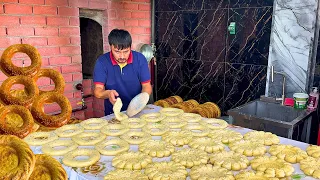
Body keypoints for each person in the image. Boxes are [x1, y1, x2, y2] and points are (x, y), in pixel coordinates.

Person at [93, 29, 152, 116]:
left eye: (126, 51)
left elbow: (147, 86)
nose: (122, 56)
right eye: (117, 52)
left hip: (138, 110)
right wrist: (108, 94)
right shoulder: (102, 62)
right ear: (111, 47)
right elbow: (98, 91)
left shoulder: (140, 59)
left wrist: (139, 102)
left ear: (130, 47)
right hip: (113, 113)